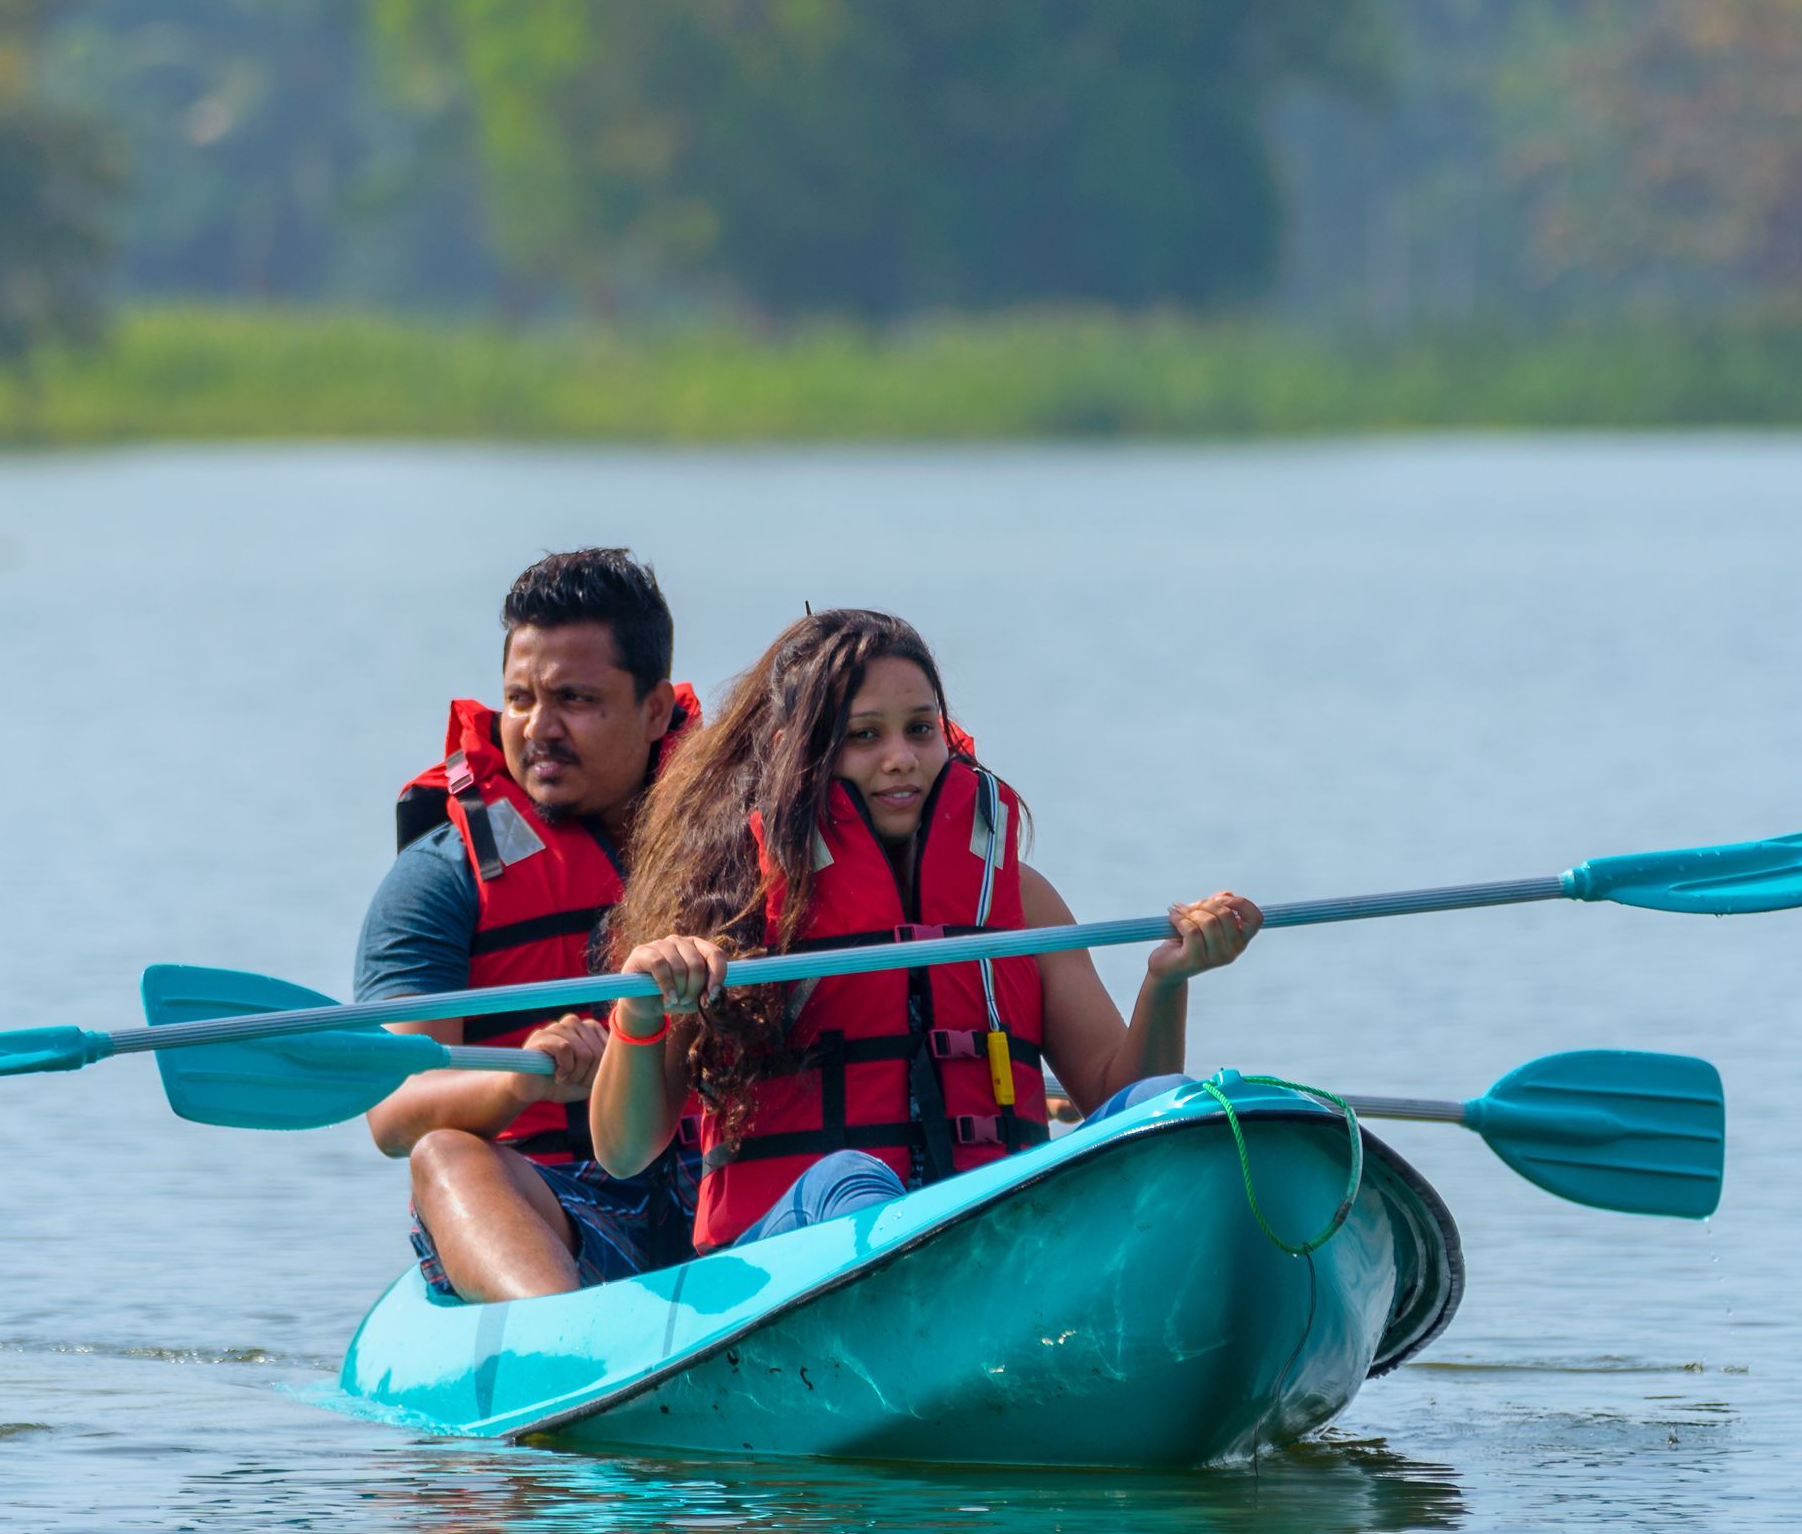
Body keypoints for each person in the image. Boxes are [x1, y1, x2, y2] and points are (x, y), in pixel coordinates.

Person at [590, 607, 1261, 1250]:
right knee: (850, 1179)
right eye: (864, 734)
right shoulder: (729, 910)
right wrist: (642, 1006)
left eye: (920, 728)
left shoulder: (1019, 901)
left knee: (1167, 1102)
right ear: (795, 753)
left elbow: (1120, 1099)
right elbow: (623, 1150)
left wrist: (1167, 980)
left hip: (988, 1240)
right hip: (791, 1255)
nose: (901, 757)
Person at [358, 548, 703, 1299]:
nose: (538, 728)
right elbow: (393, 1114)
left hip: (724, 1195)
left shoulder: (734, 846)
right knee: (443, 1153)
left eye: (574, 700)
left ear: (655, 710)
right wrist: (523, 1080)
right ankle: (568, 1346)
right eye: (520, 699)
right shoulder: (438, 876)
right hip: (553, 1203)